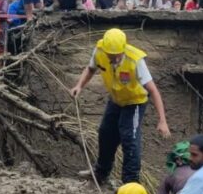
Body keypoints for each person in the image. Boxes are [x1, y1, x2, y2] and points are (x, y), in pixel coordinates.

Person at [70, 28, 170, 184]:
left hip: (135, 102)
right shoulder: (99, 50)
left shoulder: (135, 60)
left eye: (117, 55)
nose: (114, 58)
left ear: (123, 49)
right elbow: (90, 69)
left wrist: (162, 120)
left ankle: (130, 182)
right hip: (116, 100)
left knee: (129, 138)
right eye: (110, 55)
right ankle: (101, 173)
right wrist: (79, 86)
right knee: (105, 133)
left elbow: (153, 90)